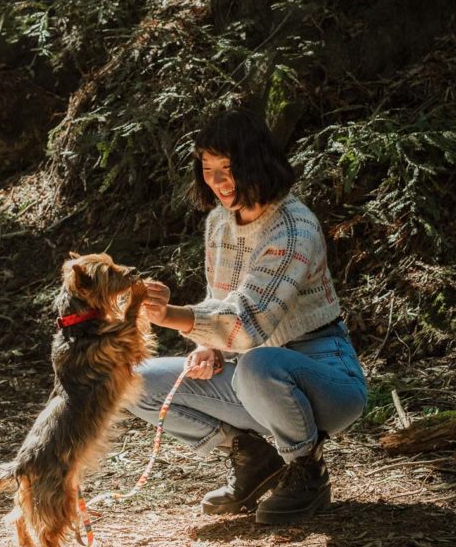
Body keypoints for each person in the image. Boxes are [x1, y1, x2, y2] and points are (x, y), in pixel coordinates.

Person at [128, 109, 367, 525]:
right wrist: (206, 344)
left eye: (230, 169)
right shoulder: (219, 224)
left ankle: (307, 470)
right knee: (134, 380)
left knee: (259, 363)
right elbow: (221, 300)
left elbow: (247, 323)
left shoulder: (294, 230)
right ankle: (256, 458)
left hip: (326, 379)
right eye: (208, 169)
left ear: (257, 163)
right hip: (252, 375)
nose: (218, 182)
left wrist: (172, 316)